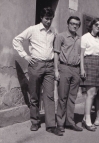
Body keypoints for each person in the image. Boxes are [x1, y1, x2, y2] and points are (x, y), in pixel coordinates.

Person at [13, 7, 62, 136]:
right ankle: (35, 121)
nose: (48, 21)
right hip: (36, 65)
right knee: (35, 95)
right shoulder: (32, 29)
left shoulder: (53, 31)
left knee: (49, 96)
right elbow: (16, 40)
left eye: (51, 19)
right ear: (41, 18)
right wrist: (26, 56)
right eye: (46, 19)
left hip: (49, 66)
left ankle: (51, 125)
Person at [54, 16, 83, 132]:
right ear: (68, 24)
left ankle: (70, 122)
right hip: (64, 67)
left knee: (72, 97)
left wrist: (81, 70)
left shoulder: (80, 39)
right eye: (72, 23)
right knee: (62, 97)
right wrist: (56, 70)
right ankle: (60, 123)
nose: (74, 26)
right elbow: (56, 54)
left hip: (76, 69)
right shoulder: (60, 36)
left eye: (77, 24)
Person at [80, 18, 99, 132]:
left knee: (94, 93)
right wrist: (82, 69)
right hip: (88, 63)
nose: (98, 26)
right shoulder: (85, 37)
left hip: (98, 64)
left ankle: (85, 117)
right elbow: (81, 55)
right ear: (92, 25)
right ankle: (87, 121)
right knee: (90, 94)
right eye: (96, 24)